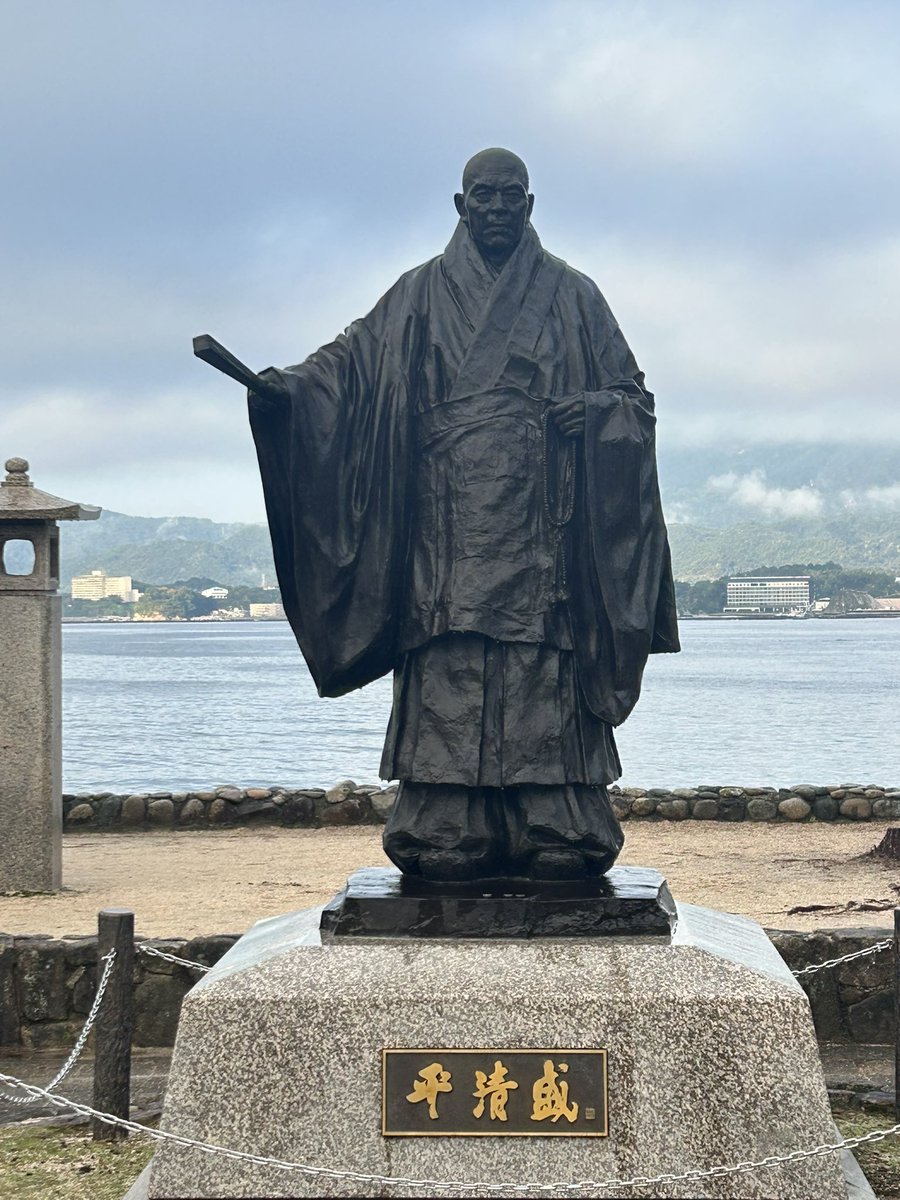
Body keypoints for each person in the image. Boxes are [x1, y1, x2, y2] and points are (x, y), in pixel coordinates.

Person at [249, 148, 679, 883]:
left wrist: (596, 410)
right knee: (450, 660)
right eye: (485, 196)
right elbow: (347, 365)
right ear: (460, 205)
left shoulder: (573, 296)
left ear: (531, 205)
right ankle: (446, 820)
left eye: (511, 196)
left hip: (543, 527)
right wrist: (290, 391)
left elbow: (633, 400)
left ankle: (557, 819)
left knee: (541, 665)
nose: (498, 208)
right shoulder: (419, 294)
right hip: (443, 532)